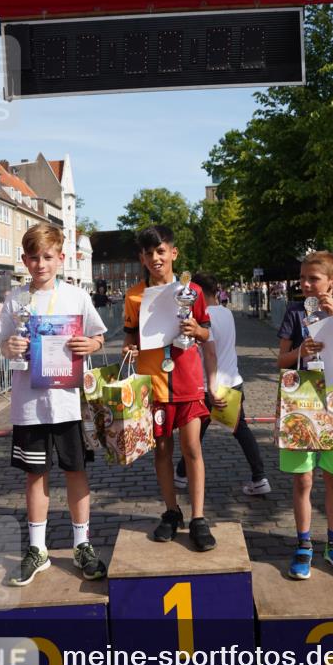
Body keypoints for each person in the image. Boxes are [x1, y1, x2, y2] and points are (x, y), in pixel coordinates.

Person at [0, 224, 107, 586]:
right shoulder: (15, 300)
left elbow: (97, 336)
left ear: (61, 258)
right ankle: (37, 549)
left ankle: (82, 544)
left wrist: (89, 347)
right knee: (35, 475)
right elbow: (3, 343)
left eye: (47, 257)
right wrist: (9, 349)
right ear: (24, 260)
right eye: (33, 257)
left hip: (68, 404)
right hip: (29, 405)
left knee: (76, 471)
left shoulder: (76, 296)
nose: (40, 264)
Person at [122, 224, 215, 551]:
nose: (155, 258)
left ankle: (199, 517)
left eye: (161, 251)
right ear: (142, 258)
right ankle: (171, 511)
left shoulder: (193, 292)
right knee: (162, 450)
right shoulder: (134, 295)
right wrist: (129, 347)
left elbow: (206, 333)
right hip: (154, 385)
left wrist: (196, 330)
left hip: (187, 382)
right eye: (149, 253)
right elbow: (131, 334)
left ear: (173, 253)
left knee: (192, 448)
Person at [277, 250, 333, 581]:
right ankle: (304, 544)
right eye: (303, 279)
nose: (307, 284)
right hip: (302, 406)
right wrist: (300, 352)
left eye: (314, 278)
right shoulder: (295, 313)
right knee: (303, 479)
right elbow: (281, 360)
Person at [174, 272, 271, 497]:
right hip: (232, 382)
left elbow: (210, 354)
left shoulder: (202, 317)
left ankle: (180, 474)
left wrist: (211, 386)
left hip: (211, 385)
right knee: (237, 431)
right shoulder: (227, 313)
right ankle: (259, 476)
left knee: (195, 433)